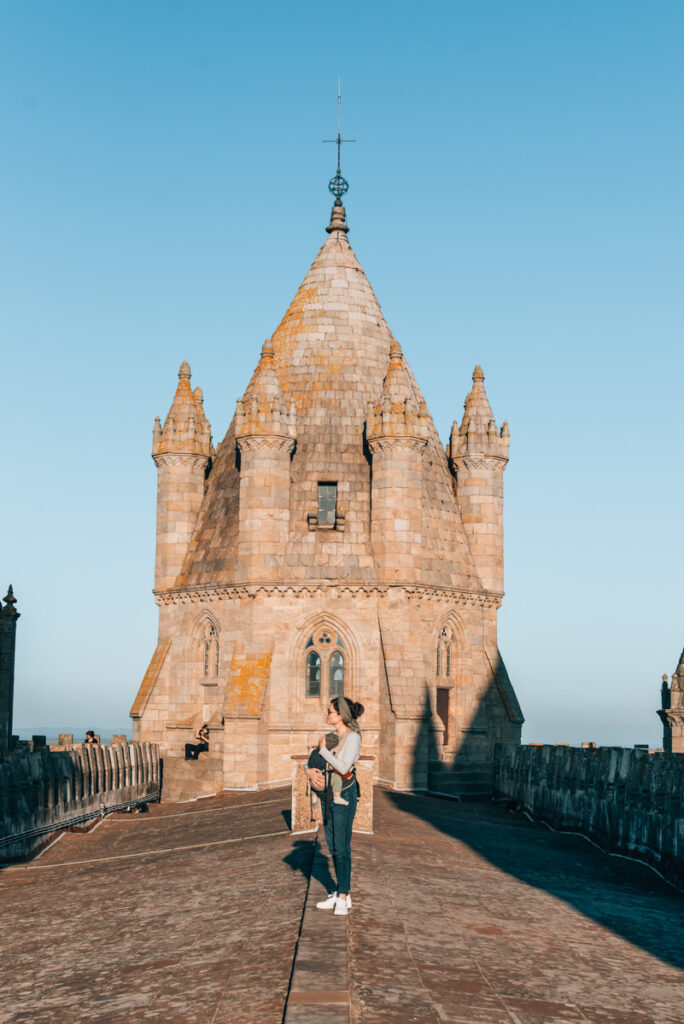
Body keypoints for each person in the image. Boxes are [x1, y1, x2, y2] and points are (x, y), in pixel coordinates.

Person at [305, 696, 364, 916]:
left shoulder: (353, 738)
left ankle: (342, 896)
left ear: (340, 715)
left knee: (342, 847)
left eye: (329, 711)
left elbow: (343, 767)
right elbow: (312, 759)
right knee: (331, 844)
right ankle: (341, 892)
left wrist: (323, 751)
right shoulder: (330, 737)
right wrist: (308, 770)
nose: (326, 714)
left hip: (344, 794)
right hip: (326, 795)